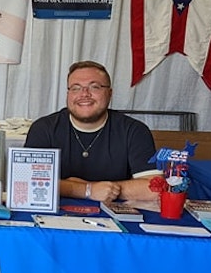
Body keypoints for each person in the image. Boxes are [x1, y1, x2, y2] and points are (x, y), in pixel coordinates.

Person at [24, 60, 159, 202]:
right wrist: (87, 190)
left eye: (94, 87)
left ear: (109, 93)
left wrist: (70, 186)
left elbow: (153, 189)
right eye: (76, 88)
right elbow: (27, 182)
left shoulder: (134, 130)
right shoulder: (43, 128)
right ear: (68, 94)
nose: (84, 94)